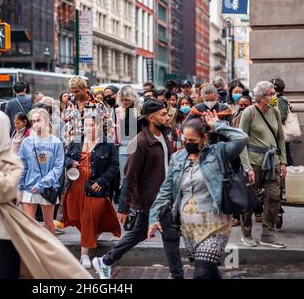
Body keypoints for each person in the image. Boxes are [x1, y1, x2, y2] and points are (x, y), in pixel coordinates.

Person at [0, 109, 92, 279]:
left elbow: (5, 192)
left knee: (46, 224)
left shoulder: (10, 161)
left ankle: (43, 258)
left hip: (0, 234)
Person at [149, 114, 249, 279]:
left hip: (216, 225)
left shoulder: (218, 152)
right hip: (189, 228)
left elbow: (241, 138)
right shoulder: (178, 158)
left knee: (201, 273)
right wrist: (153, 217)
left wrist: (216, 124)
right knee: (209, 270)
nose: (188, 144)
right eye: (185, 140)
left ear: (205, 138)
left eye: (193, 141)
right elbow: (165, 191)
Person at [92, 100, 184, 280]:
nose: (167, 117)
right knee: (171, 236)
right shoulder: (140, 142)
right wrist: (124, 207)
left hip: (164, 197)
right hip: (151, 199)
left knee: (140, 234)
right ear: (151, 118)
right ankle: (177, 275)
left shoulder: (163, 136)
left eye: (167, 114)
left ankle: (105, 261)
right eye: (163, 115)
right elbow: (129, 176)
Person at [63, 115, 121, 268]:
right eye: (86, 125)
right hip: (75, 185)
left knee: (88, 218)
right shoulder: (76, 141)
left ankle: (84, 255)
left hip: (95, 187)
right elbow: (65, 157)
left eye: (91, 125)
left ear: (100, 126)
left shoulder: (108, 143)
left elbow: (115, 166)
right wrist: (71, 162)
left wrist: (101, 182)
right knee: (75, 216)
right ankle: (92, 235)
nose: (88, 128)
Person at [239, 81, 287, 248]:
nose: (274, 97)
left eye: (274, 93)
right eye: (270, 94)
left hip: (272, 161)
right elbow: (241, 142)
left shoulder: (275, 111)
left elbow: (281, 137)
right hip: (253, 162)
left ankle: (268, 234)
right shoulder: (248, 113)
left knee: (274, 197)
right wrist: (247, 167)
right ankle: (246, 232)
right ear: (260, 97)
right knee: (250, 200)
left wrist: (283, 162)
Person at [18, 108, 64, 235]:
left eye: (38, 120)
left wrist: (42, 183)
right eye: (33, 121)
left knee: (49, 223)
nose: (35, 124)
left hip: (48, 188)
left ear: (46, 120)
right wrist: (18, 188)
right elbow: (22, 166)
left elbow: (57, 168)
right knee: (28, 225)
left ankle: (52, 253)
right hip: (29, 187)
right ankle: (29, 254)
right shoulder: (26, 142)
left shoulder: (56, 142)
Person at [62, 76, 112, 147]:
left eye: (77, 91)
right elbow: (67, 125)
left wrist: (103, 147)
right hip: (72, 148)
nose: (74, 94)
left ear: (84, 88)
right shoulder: (70, 104)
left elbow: (108, 126)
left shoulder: (97, 104)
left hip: (92, 149)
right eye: (72, 92)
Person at [271, 77, 294, 166]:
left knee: (285, 154)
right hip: (279, 131)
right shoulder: (278, 99)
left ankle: (289, 172)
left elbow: (282, 117)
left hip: (281, 132)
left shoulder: (280, 100)